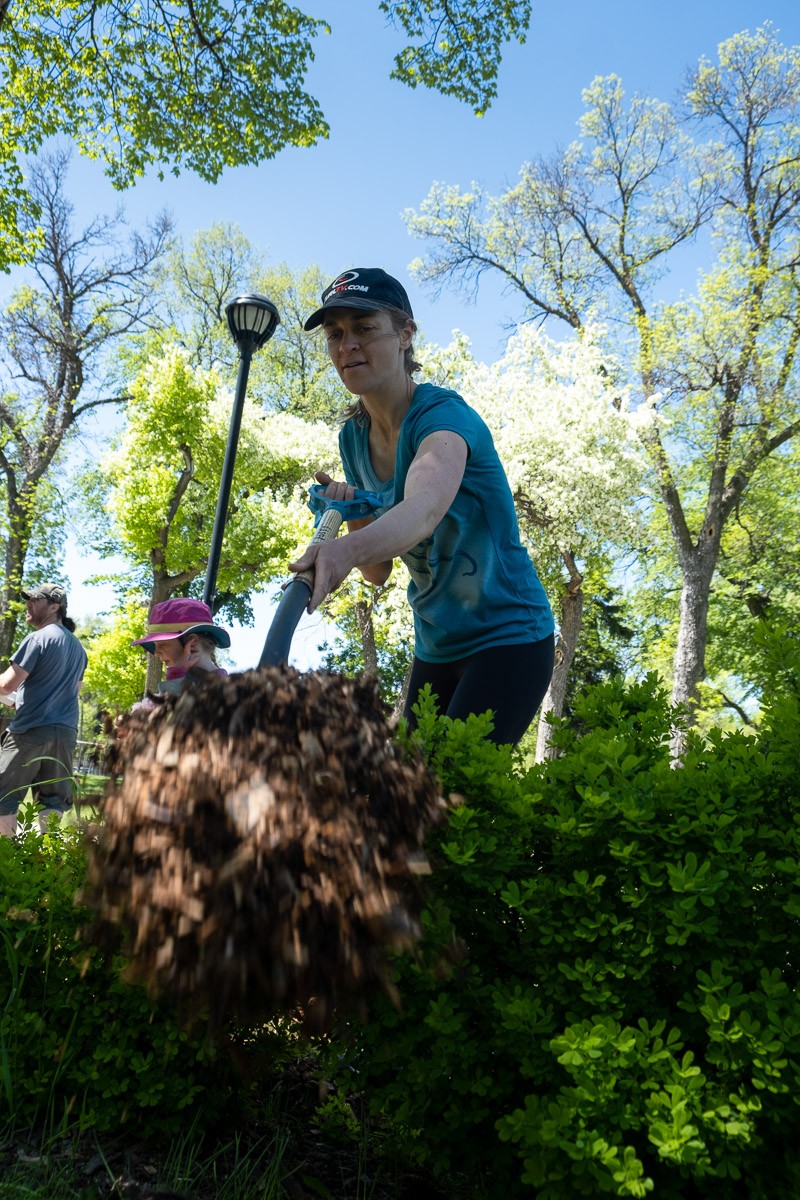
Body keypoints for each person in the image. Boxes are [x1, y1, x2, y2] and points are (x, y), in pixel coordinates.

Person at [290, 267, 555, 746]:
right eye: (335, 334)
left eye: (364, 328)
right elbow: (378, 572)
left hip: (509, 636)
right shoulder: (353, 439)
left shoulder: (442, 417)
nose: (347, 344)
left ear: (405, 334)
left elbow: (426, 506)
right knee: (404, 795)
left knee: (449, 797)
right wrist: (355, 516)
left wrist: (343, 553)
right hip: (436, 644)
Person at [0, 582, 88, 835]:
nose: (28, 603)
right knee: (52, 798)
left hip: (30, 731)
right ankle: (42, 858)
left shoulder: (38, 638)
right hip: (65, 734)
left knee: (4, 795)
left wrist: (12, 694)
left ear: (54, 607)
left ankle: (6, 861)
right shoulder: (79, 649)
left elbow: (6, 685)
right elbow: (73, 692)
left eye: (34, 600)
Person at [130, 597, 230, 689]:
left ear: (192, 643)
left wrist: (176, 675)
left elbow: (174, 706)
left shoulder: (220, 688)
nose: (156, 653)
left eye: (162, 644)